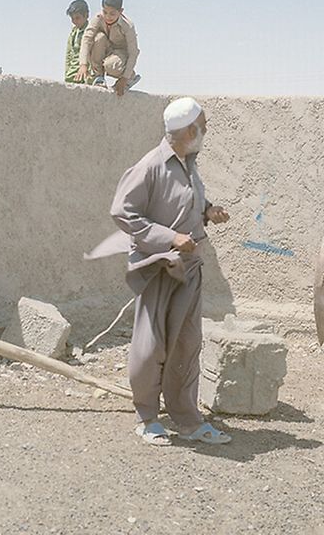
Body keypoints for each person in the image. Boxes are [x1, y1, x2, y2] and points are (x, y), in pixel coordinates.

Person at [110, 97, 231, 446]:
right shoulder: (149, 166)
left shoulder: (189, 164)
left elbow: (184, 203)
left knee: (187, 343)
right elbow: (123, 213)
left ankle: (187, 420)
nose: (206, 131)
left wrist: (208, 212)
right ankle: (147, 418)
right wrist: (170, 237)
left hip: (189, 269)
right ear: (189, 130)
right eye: (203, 126)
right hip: (158, 267)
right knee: (150, 347)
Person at [75, 0, 141, 96]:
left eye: (112, 14)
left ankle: (131, 76)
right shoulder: (98, 18)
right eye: (105, 12)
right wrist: (83, 64)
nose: (108, 17)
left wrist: (124, 78)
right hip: (106, 48)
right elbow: (86, 39)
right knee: (98, 37)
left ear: (121, 11)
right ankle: (99, 77)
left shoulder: (128, 26)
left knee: (110, 66)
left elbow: (133, 53)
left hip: (120, 54)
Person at [64, 0, 92, 84]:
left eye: (77, 18)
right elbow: (69, 55)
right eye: (72, 18)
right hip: (71, 76)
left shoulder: (91, 32)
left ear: (86, 15)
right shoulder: (73, 34)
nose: (74, 21)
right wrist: (67, 73)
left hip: (85, 76)